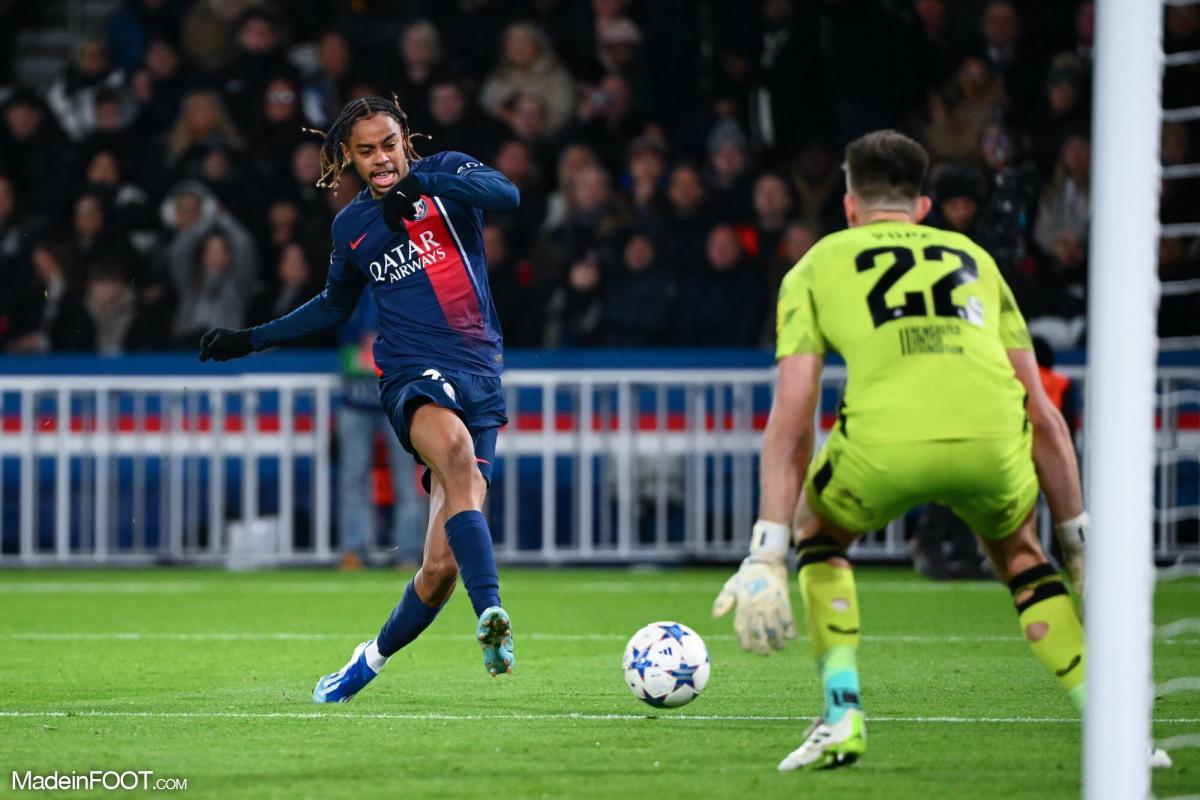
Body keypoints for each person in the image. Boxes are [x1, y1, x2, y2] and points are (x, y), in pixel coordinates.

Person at [712, 130, 1089, 771]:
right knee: (1024, 557)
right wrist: (1081, 543)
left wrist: (768, 549)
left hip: (885, 445)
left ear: (850, 204)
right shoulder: (973, 258)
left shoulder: (817, 264)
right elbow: (1044, 413)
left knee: (819, 533)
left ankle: (841, 712)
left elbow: (794, 415)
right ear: (921, 209)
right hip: (994, 439)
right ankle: (1116, 727)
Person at [197, 94, 520, 700]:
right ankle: (492, 615)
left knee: (439, 569)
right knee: (453, 459)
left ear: (407, 142)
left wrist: (421, 182)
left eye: (389, 146)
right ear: (347, 156)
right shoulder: (352, 227)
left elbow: (509, 196)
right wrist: (252, 339)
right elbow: (334, 304)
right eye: (365, 150)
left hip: (480, 375)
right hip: (410, 376)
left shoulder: (447, 176)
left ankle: (366, 662)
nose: (380, 160)